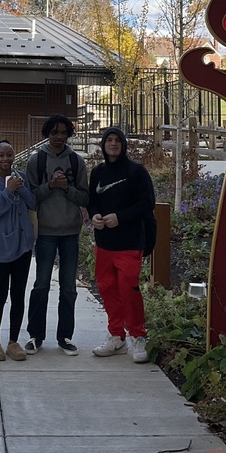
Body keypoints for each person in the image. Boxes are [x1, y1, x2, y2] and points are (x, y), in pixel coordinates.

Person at [88, 126, 155, 364]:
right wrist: (94, 215)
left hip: (129, 242)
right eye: (109, 140)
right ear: (104, 145)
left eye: (117, 140)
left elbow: (147, 204)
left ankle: (137, 336)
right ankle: (116, 336)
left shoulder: (136, 172)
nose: (113, 144)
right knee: (107, 289)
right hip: (105, 243)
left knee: (129, 289)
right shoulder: (97, 172)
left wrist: (121, 217)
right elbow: (92, 201)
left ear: (123, 144)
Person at [24, 114, 89, 355]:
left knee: (68, 288)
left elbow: (85, 197)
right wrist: (50, 186)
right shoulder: (37, 160)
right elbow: (29, 197)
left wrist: (67, 188)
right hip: (46, 233)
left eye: (64, 133)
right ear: (47, 134)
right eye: (55, 133)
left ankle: (65, 336)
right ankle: (35, 336)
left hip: (70, 232)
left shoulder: (76, 161)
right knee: (41, 285)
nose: (59, 137)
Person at [0, 140, 36, 361]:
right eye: (1, 155)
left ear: (14, 156)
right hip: (0, 248)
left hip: (22, 247)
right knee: (0, 294)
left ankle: (14, 341)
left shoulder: (20, 177)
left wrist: (20, 188)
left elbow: (32, 202)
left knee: (18, 294)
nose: (5, 159)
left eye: (9, 155)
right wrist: (7, 191)